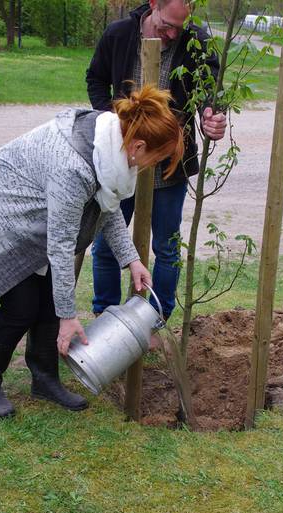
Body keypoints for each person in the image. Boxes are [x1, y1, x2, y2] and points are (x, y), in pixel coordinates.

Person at [0, 86, 184, 418]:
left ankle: (44, 378)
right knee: (21, 307)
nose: (157, 165)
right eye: (159, 158)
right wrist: (69, 317)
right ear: (138, 146)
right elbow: (62, 245)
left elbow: (106, 209)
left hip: (35, 219)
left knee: (50, 302)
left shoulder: (110, 148)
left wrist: (132, 259)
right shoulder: (75, 166)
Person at [86, 0, 227, 321]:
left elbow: (210, 94)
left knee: (166, 247)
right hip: (120, 160)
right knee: (106, 245)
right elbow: (95, 78)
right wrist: (111, 121)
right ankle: (105, 318)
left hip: (169, 165)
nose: (173, 34)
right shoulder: (119, 34)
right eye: (167, 25)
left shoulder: (198, 43)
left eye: (180, 27)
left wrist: (212, 116)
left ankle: (154, 321)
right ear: (153, 4)